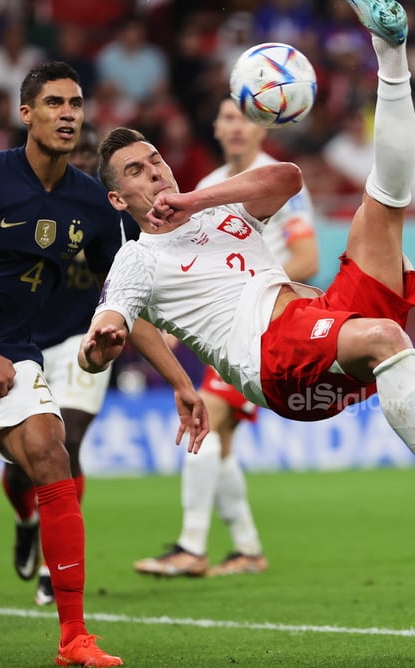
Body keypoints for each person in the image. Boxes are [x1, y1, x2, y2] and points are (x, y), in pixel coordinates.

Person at [81, 0, 415, 552]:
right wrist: (100, 342)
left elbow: (286, 178)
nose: (154, 169)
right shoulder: (138, 257)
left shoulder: (211, 206)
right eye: (136, 170)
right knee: (387, 337)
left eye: (154, 157)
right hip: (274, 358)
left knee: (380, 210)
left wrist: (194, 198)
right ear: (117, 198)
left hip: (318, 315)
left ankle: (390, 51)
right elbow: (110, 321)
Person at [0, 61, 206, 668]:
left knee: (55, 458)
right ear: (27, 115)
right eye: (53, 103)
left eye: (75, 103)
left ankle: (74, 639)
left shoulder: (91, 205)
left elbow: (126, 300)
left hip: (14, 354)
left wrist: (180, 382)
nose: (67, 113)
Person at [133, 97, 319, 578]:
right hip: (227, 329)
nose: (236, 127)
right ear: (215, 128)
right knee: (223, 441)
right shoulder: (207, 187)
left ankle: (192, 546)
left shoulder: (274, 176)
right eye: (227, 118)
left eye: (245, 118)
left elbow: (308, 257)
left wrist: (258, 291)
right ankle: (247, 548)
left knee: (209, 422)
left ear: (264, 125)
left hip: (269, 323)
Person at [1, 122, 135, 606]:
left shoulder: (106, 211)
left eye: (86, 154)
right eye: (73, 151)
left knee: (66, 442)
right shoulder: (24, 204)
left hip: (83, 340)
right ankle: (26, 523)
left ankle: (55, 568)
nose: (77, 160)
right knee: (22, 468)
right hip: (24, 345)